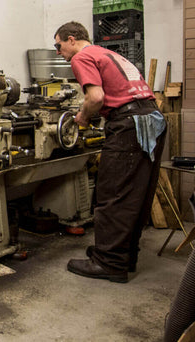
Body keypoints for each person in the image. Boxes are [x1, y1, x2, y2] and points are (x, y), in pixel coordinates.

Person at [53, 22, 166, 283]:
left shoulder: (81, 56)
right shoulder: (108, 54)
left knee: (113, 194)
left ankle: (109, 263)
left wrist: (82, 117)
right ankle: (125, 255)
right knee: (136, 194)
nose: (58, 52)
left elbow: (95, 98)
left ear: (72, 39)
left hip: (128, 123)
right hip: (151, 119)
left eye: (58, 45)